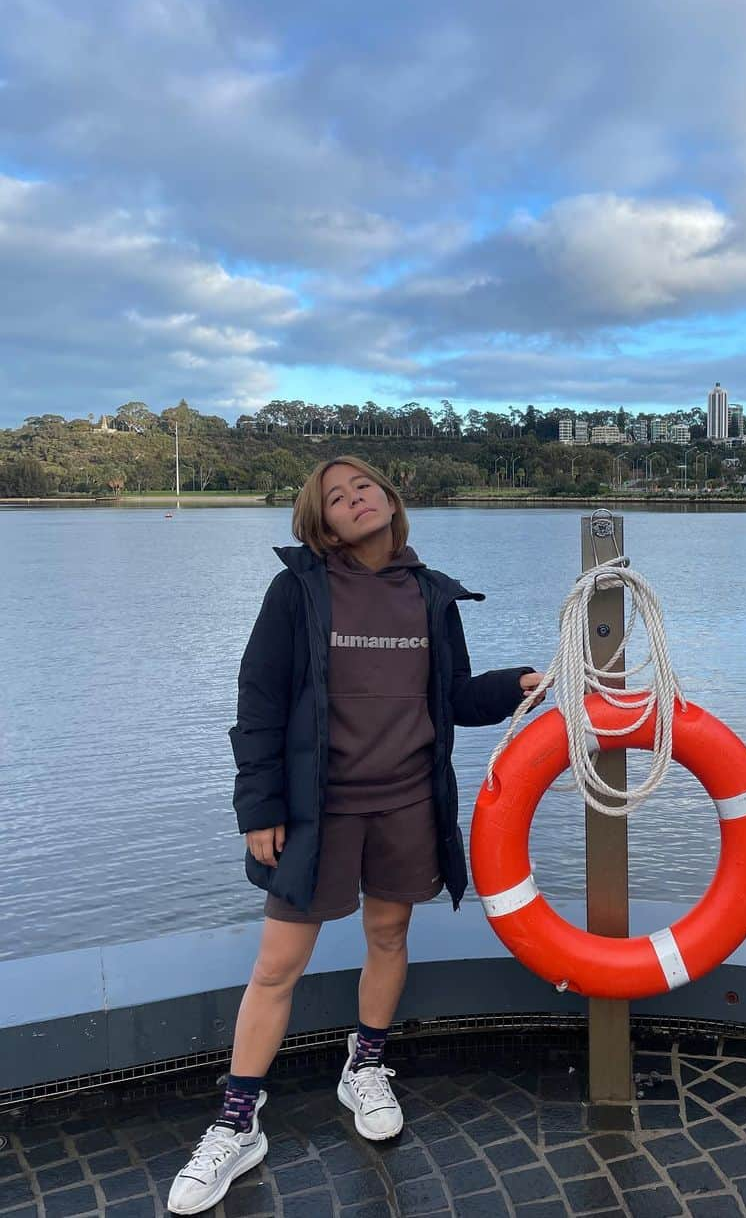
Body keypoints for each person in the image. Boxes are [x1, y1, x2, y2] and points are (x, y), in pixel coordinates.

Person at [168, 456, 542, 1215]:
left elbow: (453, 698)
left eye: (362, 486)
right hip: (317, 810)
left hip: (407, 803)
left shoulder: (432, 595)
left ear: (389, 497)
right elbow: (260, 700)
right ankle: (237, 1122)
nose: (353, 499)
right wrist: (258, 808)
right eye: (335, 498)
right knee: (277, 966)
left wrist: (519, 684)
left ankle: (364, 1065)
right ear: (322, 523)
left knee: (389, 935)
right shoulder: (299, 591)